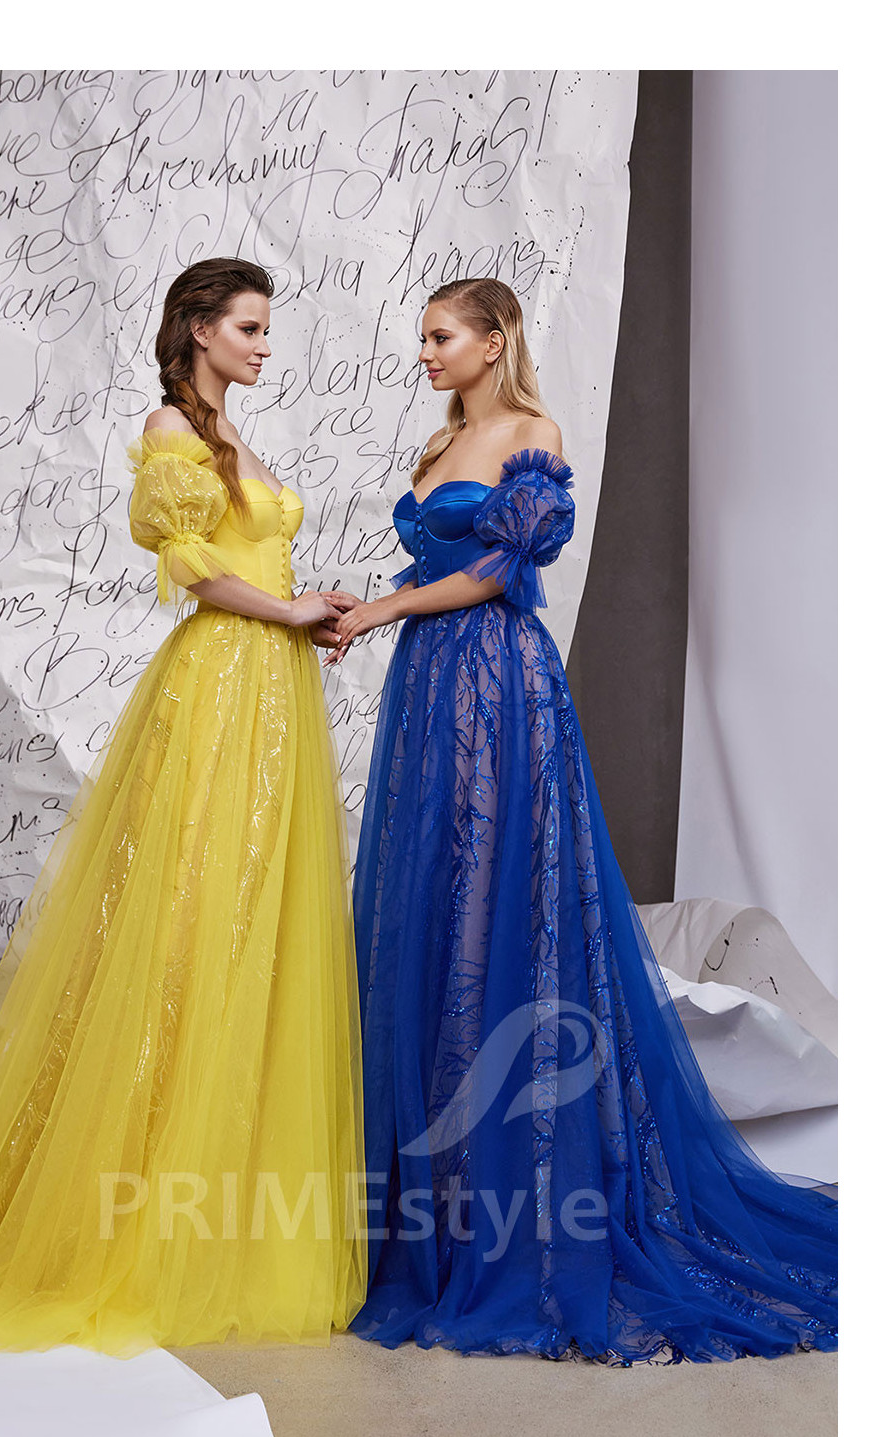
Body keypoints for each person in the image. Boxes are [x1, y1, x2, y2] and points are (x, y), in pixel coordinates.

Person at [0, 257, 368, 1356]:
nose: (265, 344)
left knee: (248, 914)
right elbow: (193, 569)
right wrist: (287, 609)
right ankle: (138, 1182)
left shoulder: (229, 435)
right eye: (249, 327)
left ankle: (221, 1179)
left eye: (266, 327)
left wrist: (307, 608)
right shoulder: (171, 431)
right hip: (219, 684)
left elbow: (248, 559)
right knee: (186, 914)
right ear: (199, 330)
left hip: (271, 685)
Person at [319, 277, 838, 1363]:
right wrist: (366, 610)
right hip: (428, 683)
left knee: (492, 899)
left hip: (497, 684)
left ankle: (515, 1191)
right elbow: (438, 562)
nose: (425, 352)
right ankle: (432, 1197)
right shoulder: (441, 440)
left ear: (493, 338)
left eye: (441, 336)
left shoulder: (532, 434)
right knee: (431, 901)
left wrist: (380, 608)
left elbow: (493, 574)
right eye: (422, 337)